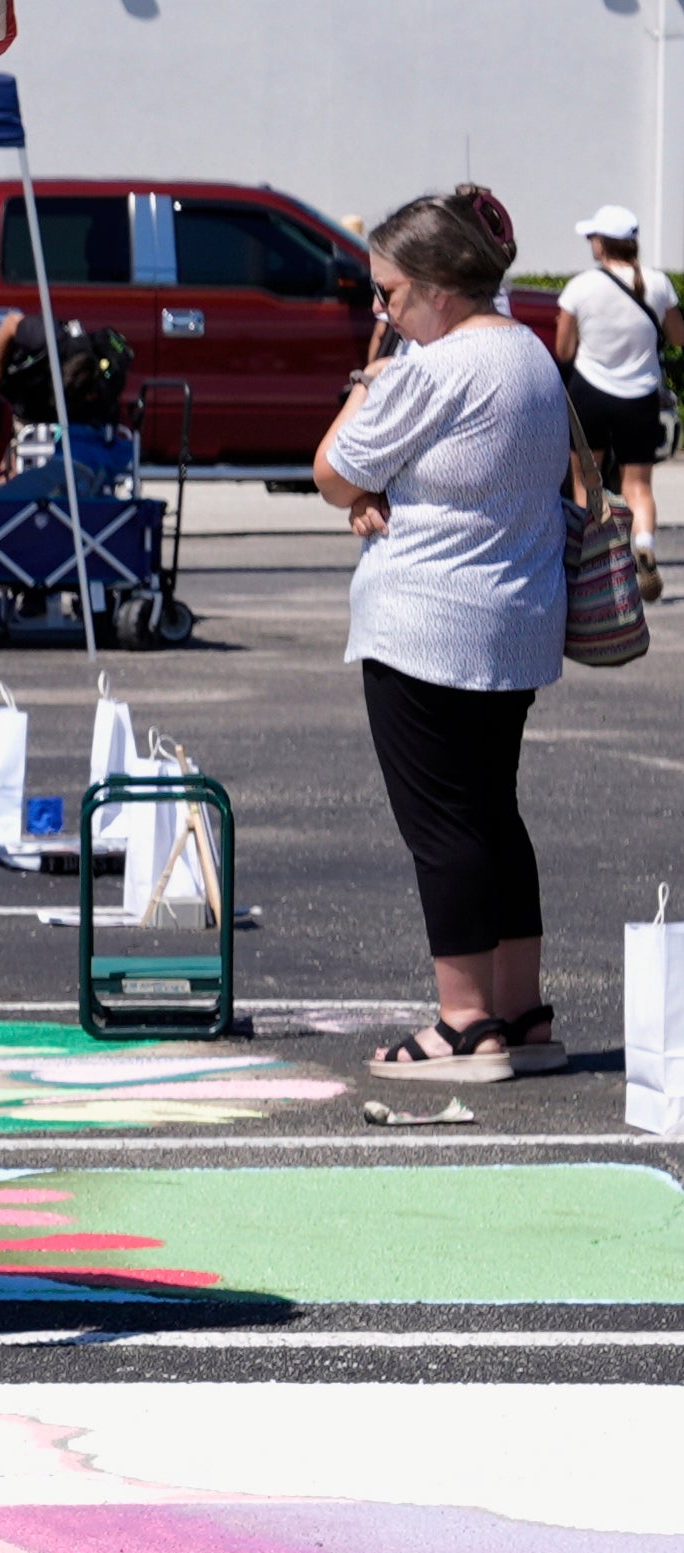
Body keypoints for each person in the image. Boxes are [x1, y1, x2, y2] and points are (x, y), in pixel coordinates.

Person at [317, 185, 573, 1082]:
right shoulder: (529, 355)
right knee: (494, 812)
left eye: (388, 293)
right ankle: (519, 1010)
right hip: (514, 617)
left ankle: (463, 1025)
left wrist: (366, 379)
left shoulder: (434, 368)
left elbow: (334, 471)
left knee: (442, 823)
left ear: (435, 284)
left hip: (426, 620)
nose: (382, 310)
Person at [555, 205, 681, 601]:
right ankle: (643, 545)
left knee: (585, 482)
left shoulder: (580, 287)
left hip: (589, 393)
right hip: (640, 396)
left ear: (602, 243)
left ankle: (595, 563)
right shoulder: (659, 284)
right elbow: (679, 336)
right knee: (638, 484)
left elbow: (563, 349)